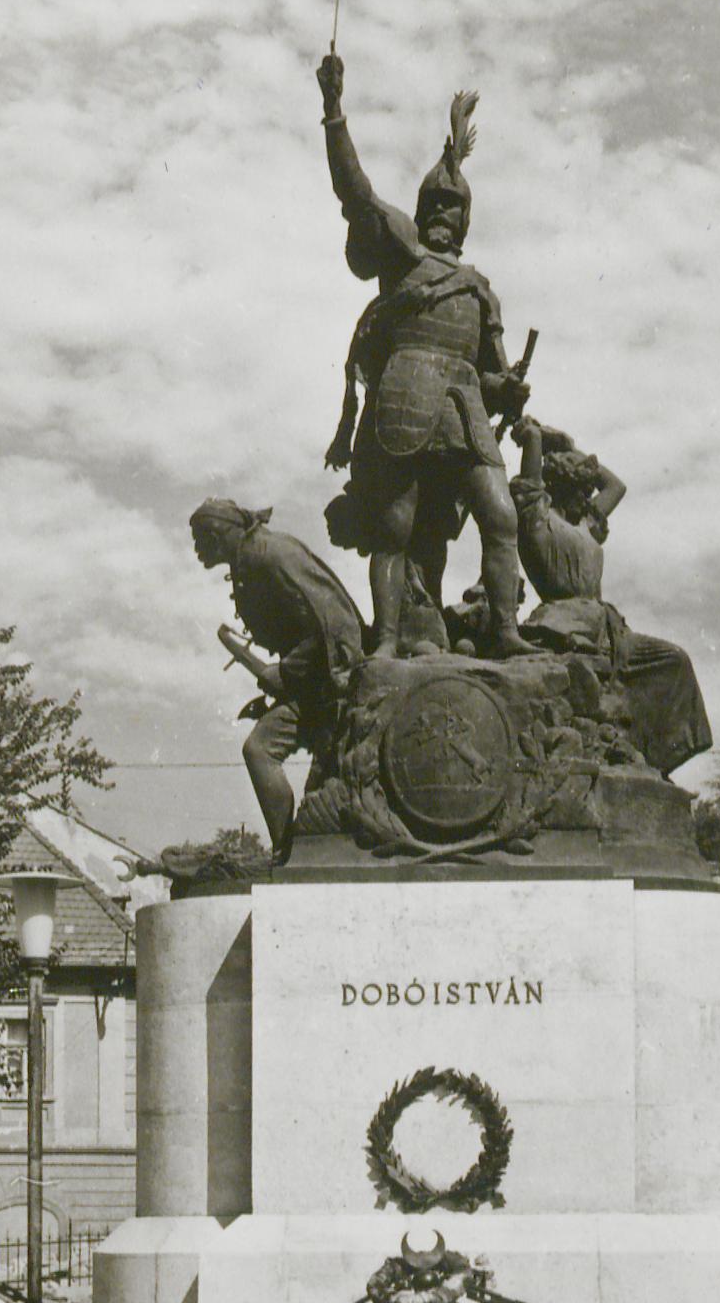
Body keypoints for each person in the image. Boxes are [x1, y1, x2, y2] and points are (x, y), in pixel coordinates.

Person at [316, 50, 536, 659]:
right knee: (395, 527)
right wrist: (334, 111)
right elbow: (356, 194)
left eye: (452, 207)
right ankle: (387, 641)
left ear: (465, 220)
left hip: (464, 409)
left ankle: (505, 631)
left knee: (502, 517)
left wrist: (509, 390)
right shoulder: (403, 257)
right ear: (419, 213)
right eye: (433, 205)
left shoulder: (480, 290)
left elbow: (492, 378)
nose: (441, 213)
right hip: (407, 397)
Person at [508, 417, 713, 777]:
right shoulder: (537, 519)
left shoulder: (586, 525)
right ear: (562, 489)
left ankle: (653, 764)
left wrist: (568, 445)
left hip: (608, 629)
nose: (588, 499)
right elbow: (530, 483)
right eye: (581, 492)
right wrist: (535, 440)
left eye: (588, 493)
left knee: (674, 661)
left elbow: (616, 486)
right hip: (564, 622)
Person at [189, 499, 366, 860]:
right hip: (309, 683)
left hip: (334, 684)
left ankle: (295, 854)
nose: (196, 549)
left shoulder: (270, 555)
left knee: (308, 778)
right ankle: (287, 853)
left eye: (198, 540)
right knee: (261, 751)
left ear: (216, 535)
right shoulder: (248, 559)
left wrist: (285, 672)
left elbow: (335, 621)